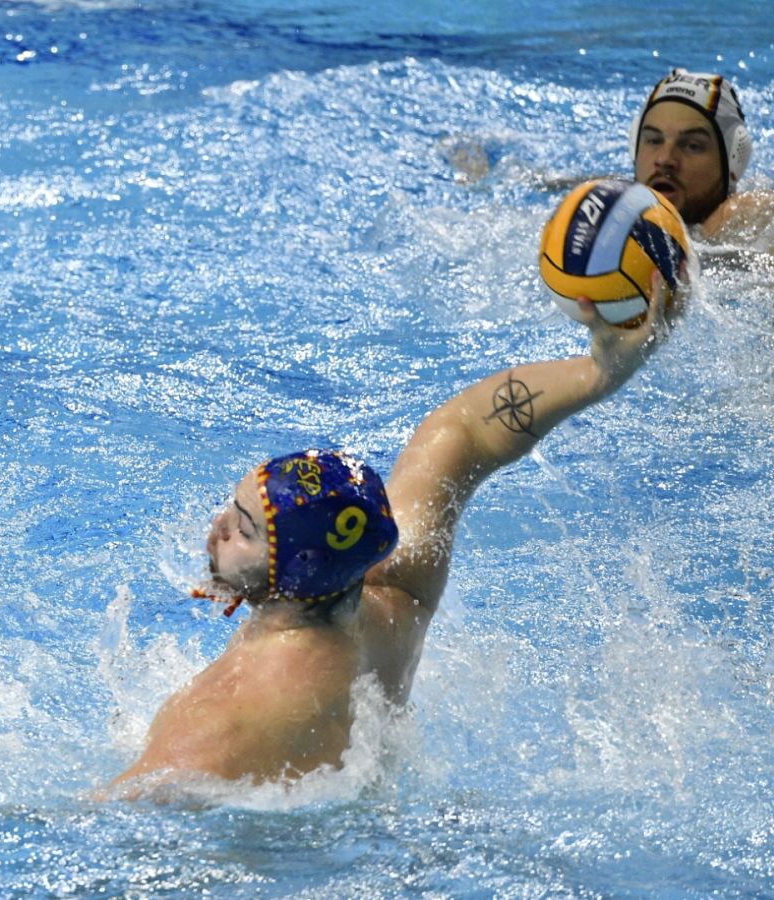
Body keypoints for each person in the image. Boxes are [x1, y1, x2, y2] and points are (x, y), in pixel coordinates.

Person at [110, 268, 681, 789]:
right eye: (231, 510)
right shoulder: (391, 594)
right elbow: (461, 432)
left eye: (244, 531)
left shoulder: (230, 707)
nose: (216, 529)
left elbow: (123, 814)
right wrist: (599, 372)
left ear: (295, 574)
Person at [631, 69, 770, 240]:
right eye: (654, 140)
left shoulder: (753, 222)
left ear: (733, 161)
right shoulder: (602, 205)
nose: (664, 159)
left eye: (692, 146)